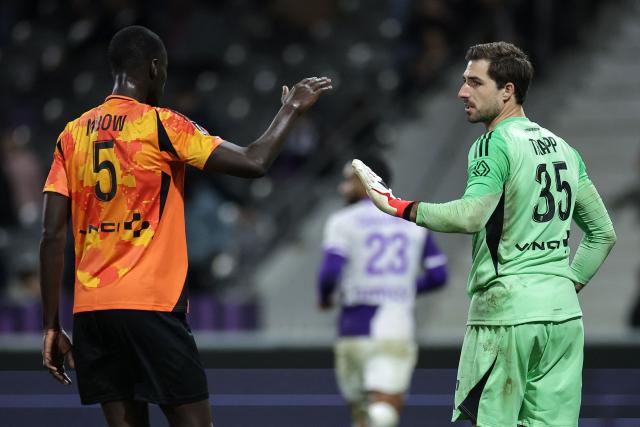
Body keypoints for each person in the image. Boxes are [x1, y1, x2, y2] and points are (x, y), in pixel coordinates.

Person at [39, 25, 331, 427]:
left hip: (92, 314)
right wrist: (292, 109)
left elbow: (51, 235)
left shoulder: (70, 136)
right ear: (155, 68)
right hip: (150, 308)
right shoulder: (161, 125)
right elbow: (253, 162)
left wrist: (52, 325)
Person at [352, 41, 616, 427]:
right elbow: (603, 234)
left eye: (475, 82)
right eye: (463, 81)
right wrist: (564, 284)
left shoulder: (494, 144)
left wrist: (397, 206)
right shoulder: (564, 149)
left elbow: (471, 216)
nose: (462, 92)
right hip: (562, 320)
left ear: (507, 90)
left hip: (505, 315)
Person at [318, 156, 448, 427]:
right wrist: (404, 287)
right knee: (385, 409)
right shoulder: (409, 219)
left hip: (353, 327)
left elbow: (330, 272)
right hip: (395, 326)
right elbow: (438, 274)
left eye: (349, 179)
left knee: (361, 413)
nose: (343, 188)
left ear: (365, 179)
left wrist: (325, 297)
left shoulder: (342, 221)